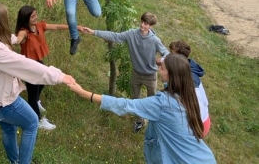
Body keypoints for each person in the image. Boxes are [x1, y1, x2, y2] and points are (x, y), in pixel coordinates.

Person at [0, 3, 76, 164]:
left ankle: (14, 160)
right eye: (5, 18)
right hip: (1, 102)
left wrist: (14, 38)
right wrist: (59, 76)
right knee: (31, 123)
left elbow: (4, 39)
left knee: (8, 128)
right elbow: (26, 65)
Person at [67, 54, 216, 164]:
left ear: (170, 74)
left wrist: (83, 92)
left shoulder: (163, 104)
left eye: (162, 67)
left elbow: (124, 105)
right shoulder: (188, 93)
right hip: (204, 158)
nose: (159, 68)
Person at [81, 12, 169, 133]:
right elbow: (115, 36)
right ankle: (139, 121)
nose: (142, 25)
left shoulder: (155, 40)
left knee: (152, 101)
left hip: (150, 76)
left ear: (151, 26)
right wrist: (94, 32)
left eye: (146, 24)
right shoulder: (131, 34)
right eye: (142, 22)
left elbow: (167, 53)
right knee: (134, 99)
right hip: (136, 74)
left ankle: (153, 123)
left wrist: (162, 60)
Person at [14, 5, 83, 131]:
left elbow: (56, 26)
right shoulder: (24, 32)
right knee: (32, 94)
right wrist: (14, 39)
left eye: (36, 14)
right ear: (26, 18)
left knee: (43, 83)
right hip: (29, 67)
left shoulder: (39, 26)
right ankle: (38, 120)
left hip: (38, 62)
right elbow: (18, 39)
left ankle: (36, 101)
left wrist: (75, 27)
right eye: (32, 16)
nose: (36, 17)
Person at [169, 40, 211, 136]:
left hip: (198, 125)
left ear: (179, 58)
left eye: (171, 54)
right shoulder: (185, 68)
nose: (168, 56)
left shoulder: (190, 81)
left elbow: (199, 106)